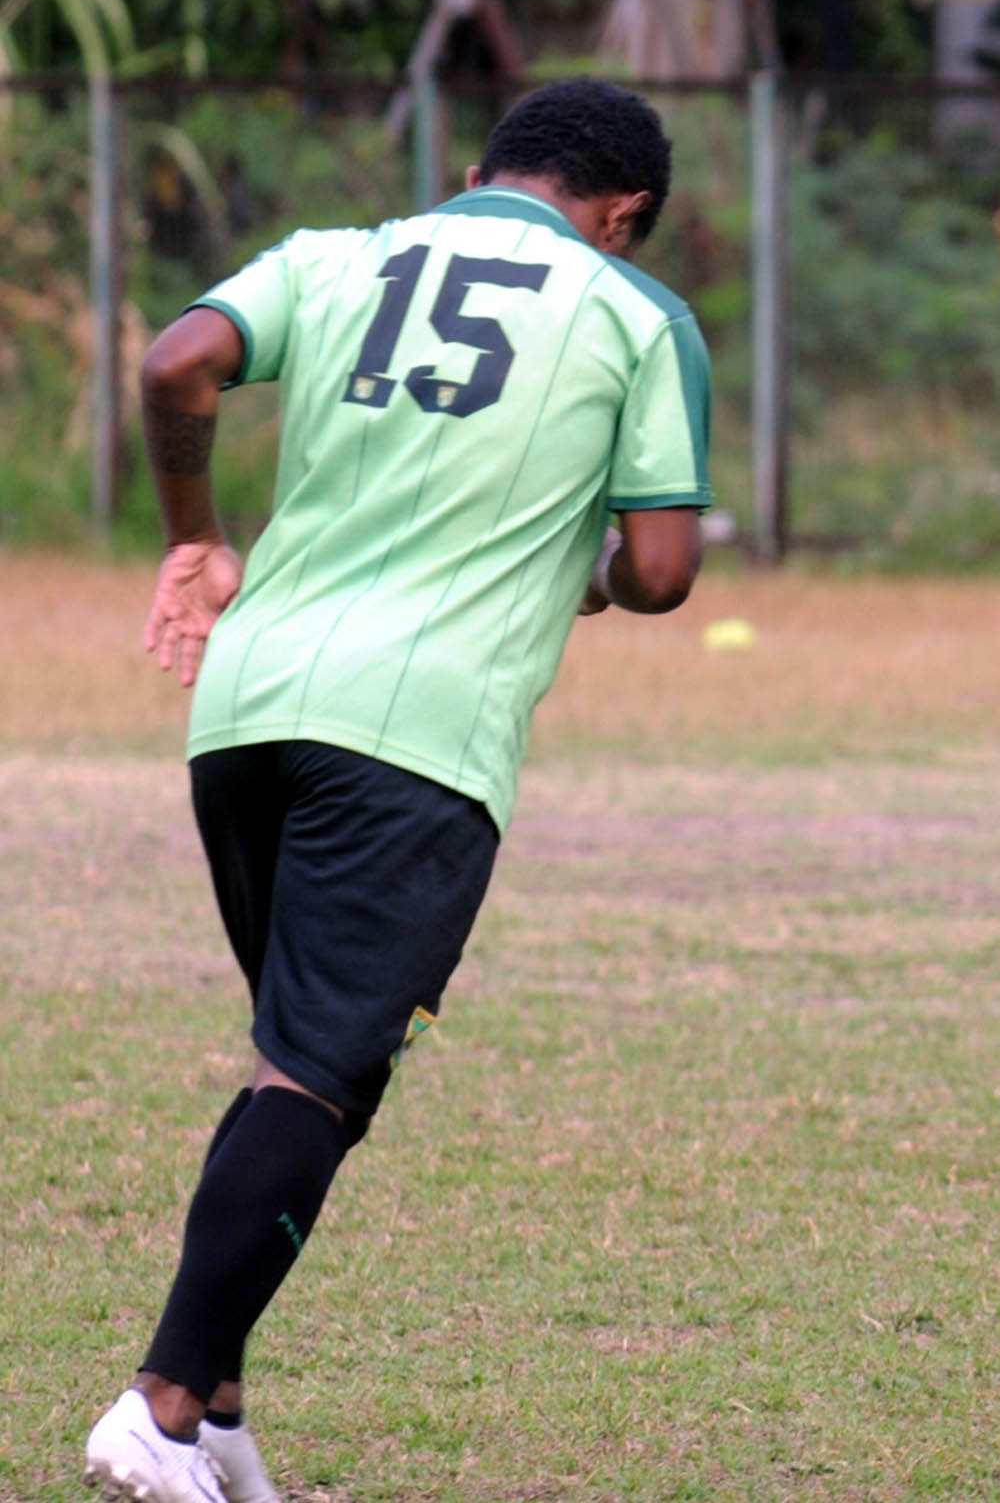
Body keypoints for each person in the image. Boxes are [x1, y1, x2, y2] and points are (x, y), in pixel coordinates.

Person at [83, 80, 711, 1503]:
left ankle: (222, 1410)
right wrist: (581, 576)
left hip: (244, 711)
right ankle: (159, 1405)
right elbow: (664, 572)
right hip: (415, 735)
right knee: (320, 1071)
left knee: (303, 1064)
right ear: (625, 215)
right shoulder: (633, 314)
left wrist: (198, 536)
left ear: (477, 170)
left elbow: (178, 363)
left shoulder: (333, 257)